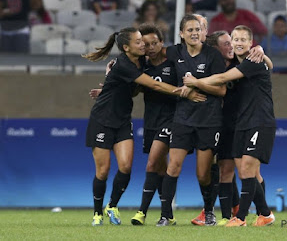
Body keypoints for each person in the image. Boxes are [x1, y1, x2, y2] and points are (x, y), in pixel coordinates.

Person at [82, 26, 204, 226]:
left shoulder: (141, 62)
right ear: (126, 48)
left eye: (146, 42)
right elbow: (153, 85)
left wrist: (107, 87)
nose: (145, 46)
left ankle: (112, 206)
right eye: (139, 42)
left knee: (126, 167)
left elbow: (132, 88)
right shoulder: (123, 64)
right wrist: (183, 91)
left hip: (123, 121)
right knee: (103, 171)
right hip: (102, 119)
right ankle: (97, 213)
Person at [183, 25, 276, 227]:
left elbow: (223, 79)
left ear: (250, 43)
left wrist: (195, 82)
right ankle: (265, 214)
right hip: (240, 123)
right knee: (244, 171)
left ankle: (240, 217)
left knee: (249, 169)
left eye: (244, 39)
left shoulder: (253, 61)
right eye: (236, 39)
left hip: (259, 121)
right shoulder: (232, 63)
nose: (239, 43)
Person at [157, 14, 226, 227]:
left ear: (203, 32)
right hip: (183, 119)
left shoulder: (213, 55)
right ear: (181, 33)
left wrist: (197, 84)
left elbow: (222, 90)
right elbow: (150, 54)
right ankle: (165, 215)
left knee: (203, 174)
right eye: (190, 30)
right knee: (173, 166)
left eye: (198, 29)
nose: (194, 33)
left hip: (208, 120)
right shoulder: (174, 52)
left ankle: (208, 211)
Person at [130, 23, 178, 225]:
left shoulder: (174, 64)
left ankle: (141, 212)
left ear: (161, 42)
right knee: (160, 168)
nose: (150, 47)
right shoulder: (144, 67)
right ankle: (168, 214)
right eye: (146, 44)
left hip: (171, 119)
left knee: (152, 163)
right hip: (150, 120)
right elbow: (134, 92)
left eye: (154, 43)